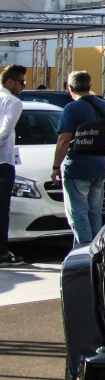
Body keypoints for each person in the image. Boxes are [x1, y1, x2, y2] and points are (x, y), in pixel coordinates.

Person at [51, 70, 105, 248]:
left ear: (70, 87)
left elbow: (64, 139)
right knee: (94, 214)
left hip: (77, 167)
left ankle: (84, 252)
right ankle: (96, 250)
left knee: (78, 215)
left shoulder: (72, 108)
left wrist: (55, 167)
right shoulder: (102, 104)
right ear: (90, 85)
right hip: (99, 166)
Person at [0, 64, 27, 266]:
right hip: (3, 162)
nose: (23, 86)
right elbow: (5, 131)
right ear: (10, 82)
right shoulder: (13, 101)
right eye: (22, 82)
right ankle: (2, 253)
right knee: (2, 209)